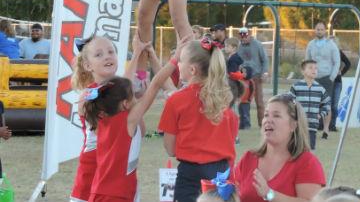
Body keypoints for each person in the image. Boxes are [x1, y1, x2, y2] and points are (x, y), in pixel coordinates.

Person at [82, 38, 185, 202]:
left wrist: (138, 54)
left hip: (101, 191)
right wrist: (175, 58)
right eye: (132, 94)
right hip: (116, 195)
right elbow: (156, 84)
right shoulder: (127, 120)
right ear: (125, 103)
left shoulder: (103, 118)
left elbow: (127, 87)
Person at [159, 38, 238, 202]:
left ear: (192, 70)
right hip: (221, 174)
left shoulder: (176, 101)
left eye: (180, 60)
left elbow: (170, 149)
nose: (178, 64)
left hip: (189, 174)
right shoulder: (225, 101)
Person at [70, 35, 146, 202]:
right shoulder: (88, 96)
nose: (107, 56)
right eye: (99, 54)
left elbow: (141, 129)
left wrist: (138, 53)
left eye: (111, 52)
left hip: (120, 176)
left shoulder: (121, 92)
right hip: (92, 173)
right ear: (87, 65)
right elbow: (120, 91)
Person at [234, 94, 326, 202]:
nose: (268, 120)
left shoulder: (307, 163)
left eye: (276, 116)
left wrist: (270, 194)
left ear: (293, 125)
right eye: (266, 115)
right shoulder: (248, 158)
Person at [305, 22, 340, 139]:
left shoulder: (331, 45)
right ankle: (313, 127)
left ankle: (326, 129)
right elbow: (307, 60)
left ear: (325, 31)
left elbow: (337, 62)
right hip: (314, 78)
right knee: (313, 104)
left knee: (326, 105)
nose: (319, 31)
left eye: (321, 29)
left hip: (326, 78)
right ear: (315, 30)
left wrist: (332, 77)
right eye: (317, 29)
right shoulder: (310, 44)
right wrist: (308, 74)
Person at [290, 60, 331, 150]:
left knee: (310, 151)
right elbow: (290, 101)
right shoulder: (296, 86)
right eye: (310, 68)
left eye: (316, 68)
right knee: (296, 150)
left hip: (312, 126)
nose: (314, 70)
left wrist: (321, 115)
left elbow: (327, 103)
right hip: (298, 126)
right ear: (303, 71)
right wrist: (296, 112)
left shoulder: (320, 88)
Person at [237, 27, 269, 127]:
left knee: (259, 101)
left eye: (245, 36)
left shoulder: (257, 45)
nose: (243, 38)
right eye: (241, 36)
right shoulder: (239, 46)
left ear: (249, 34)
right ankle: (245, 123)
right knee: (244, 101)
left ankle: (262, 124)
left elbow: (265, 60)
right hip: (244, 78)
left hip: (256, 76)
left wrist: (264, 73)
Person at [329, 44, 350, 132]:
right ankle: (322, 125)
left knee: (334, 105)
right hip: (327, 81)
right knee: (325, 103)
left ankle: (332, 125)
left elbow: (348, 64)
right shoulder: (324, 52)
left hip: (337, 82)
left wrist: (341, 72)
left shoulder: (339, 52)